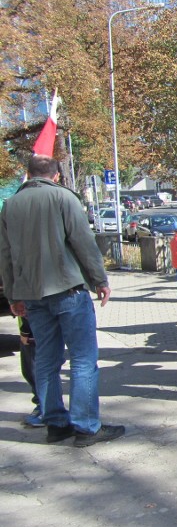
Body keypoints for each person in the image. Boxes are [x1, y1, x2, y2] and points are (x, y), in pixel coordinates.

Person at [0, 155, 124, 447]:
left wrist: (13, 295)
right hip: (68, 288)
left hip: (31, 294)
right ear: (56, 175)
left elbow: (5, 255)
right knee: (82, 359)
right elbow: (83, 241)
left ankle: (54, 423)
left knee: (46, 358)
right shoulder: (62, 198)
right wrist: (100, 280)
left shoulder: (10, 205)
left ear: (28, 174)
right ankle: (86, 426)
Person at [18, 316, 43, 427]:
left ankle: (45, 409)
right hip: (32, 323)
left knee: (35, 369)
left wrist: (26, 330)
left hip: (34, 324)